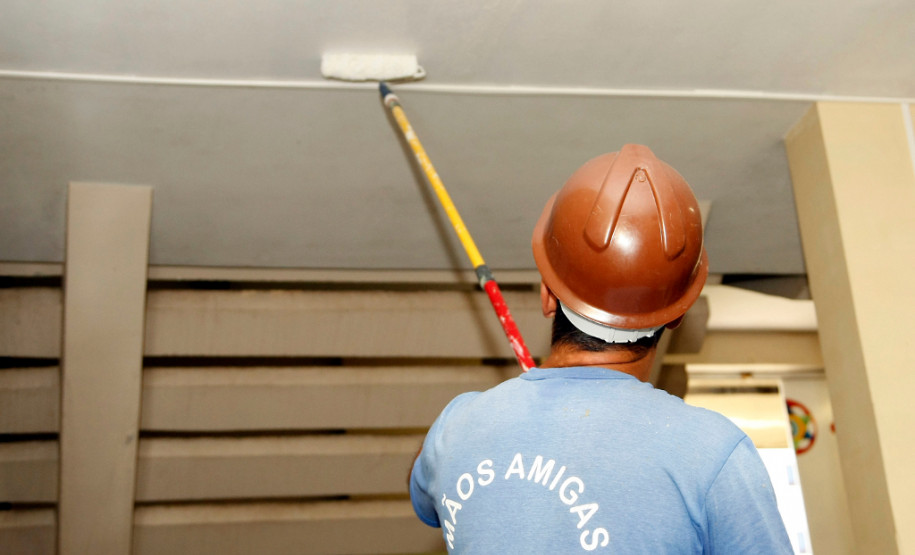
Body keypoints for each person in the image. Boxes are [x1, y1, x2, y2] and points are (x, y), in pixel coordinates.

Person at [409, 144, 793, 553]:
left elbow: (424, 492)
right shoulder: (714, 454)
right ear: (677, 314)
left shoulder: (456, 426)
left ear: (546, 295)